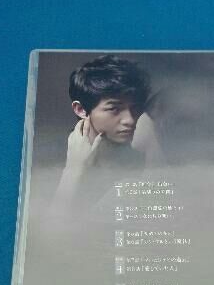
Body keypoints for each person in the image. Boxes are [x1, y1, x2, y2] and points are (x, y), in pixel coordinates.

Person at [50, 55, 156, 215]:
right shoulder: (49, 162)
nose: (130, 120)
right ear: (81, 109)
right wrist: (73, 171)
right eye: (114, 109)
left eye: (135, 108)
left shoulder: (142, 156)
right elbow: (51, 228)